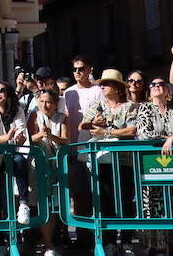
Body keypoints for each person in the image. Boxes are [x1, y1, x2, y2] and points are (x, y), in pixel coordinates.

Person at [81, 70, 138, 256]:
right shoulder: (98, 105)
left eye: (106, 83)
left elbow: (131, 130)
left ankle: (127, 240)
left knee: (125, 200)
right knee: (105, 200)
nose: (102, 86)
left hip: (124, 161)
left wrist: (106, 133)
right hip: (102, 160)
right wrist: (92, 123)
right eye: (102, 83)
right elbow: (82, 125)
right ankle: (109, 242)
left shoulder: (130, 106)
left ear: (117, 88)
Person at [135, 78, 173, 256]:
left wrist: (172, 138)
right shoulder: (144, 108)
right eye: (153, 85)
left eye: (160, 84)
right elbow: (145, 134)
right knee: (156, 206)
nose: (156, 86)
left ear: (168, 91)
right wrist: (166, 137)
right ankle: (158, 247)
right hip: (153, 168)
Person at [63, 55, 103, 251]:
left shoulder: (98, 91)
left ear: (90, 69)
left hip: (96, 149)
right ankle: (82, 236)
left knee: (98, 193)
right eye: (75, 69)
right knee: (79, 194)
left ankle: (99, 236)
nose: (78, 72)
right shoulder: (68, 93)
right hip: (73, 149)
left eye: (81, 68)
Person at [0, 81, 30, 227]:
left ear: (8, 93)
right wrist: (8, 138)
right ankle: (0, 241)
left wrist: (19, 139)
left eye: (1, 91)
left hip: (12, 155)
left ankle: (24, 204)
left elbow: (21, 134)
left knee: (20, 161)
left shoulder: (17, 109)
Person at [27, 88, 68, 256]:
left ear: (55, 104)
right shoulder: (34, 116)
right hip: (38, 165)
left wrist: (51, 136)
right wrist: (40, 135)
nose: (45, 105)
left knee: (54, 205)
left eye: (49, 102)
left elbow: (66, 140)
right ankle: (47, 244)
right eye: (42, 101)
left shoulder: (62, 118)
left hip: (57, 165)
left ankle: (50, 242)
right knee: (40, 203)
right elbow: (29, 138)